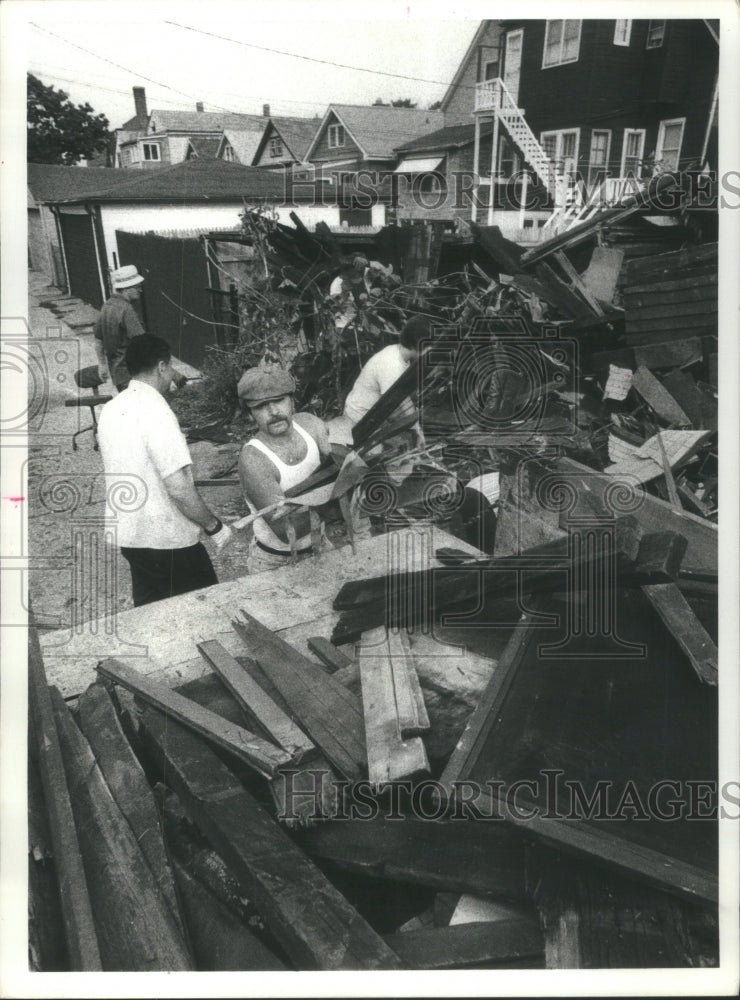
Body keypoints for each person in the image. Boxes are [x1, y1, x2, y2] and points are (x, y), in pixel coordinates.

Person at [97, 334, 233, 606]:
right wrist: (213, 526)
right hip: (167, 540)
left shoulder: (111, 409)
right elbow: (178, 487)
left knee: (152, 616)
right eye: (170, 367)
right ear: (161, 367)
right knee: (207, 609)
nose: (171, 374)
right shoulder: (158, 412)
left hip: (131, 536)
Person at [237, 366, 332, 574]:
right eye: (261, 406)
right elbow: (286, 529)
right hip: (276, 561)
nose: (273, 412)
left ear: (292, 401)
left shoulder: (311, 425)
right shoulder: (253, 458)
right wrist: (339, 497)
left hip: (321, 545)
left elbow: (337, 463)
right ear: (250, 414)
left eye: (279, 400)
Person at [94, 264, 146, 393]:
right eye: (137, 287)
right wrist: (172, 373)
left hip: (118, 375)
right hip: (133, 374)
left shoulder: (106, 306)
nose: (140, 290)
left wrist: (102, 365)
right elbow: (143, 343)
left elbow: (98, 340)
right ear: (127, 289)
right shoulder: (126, 310)